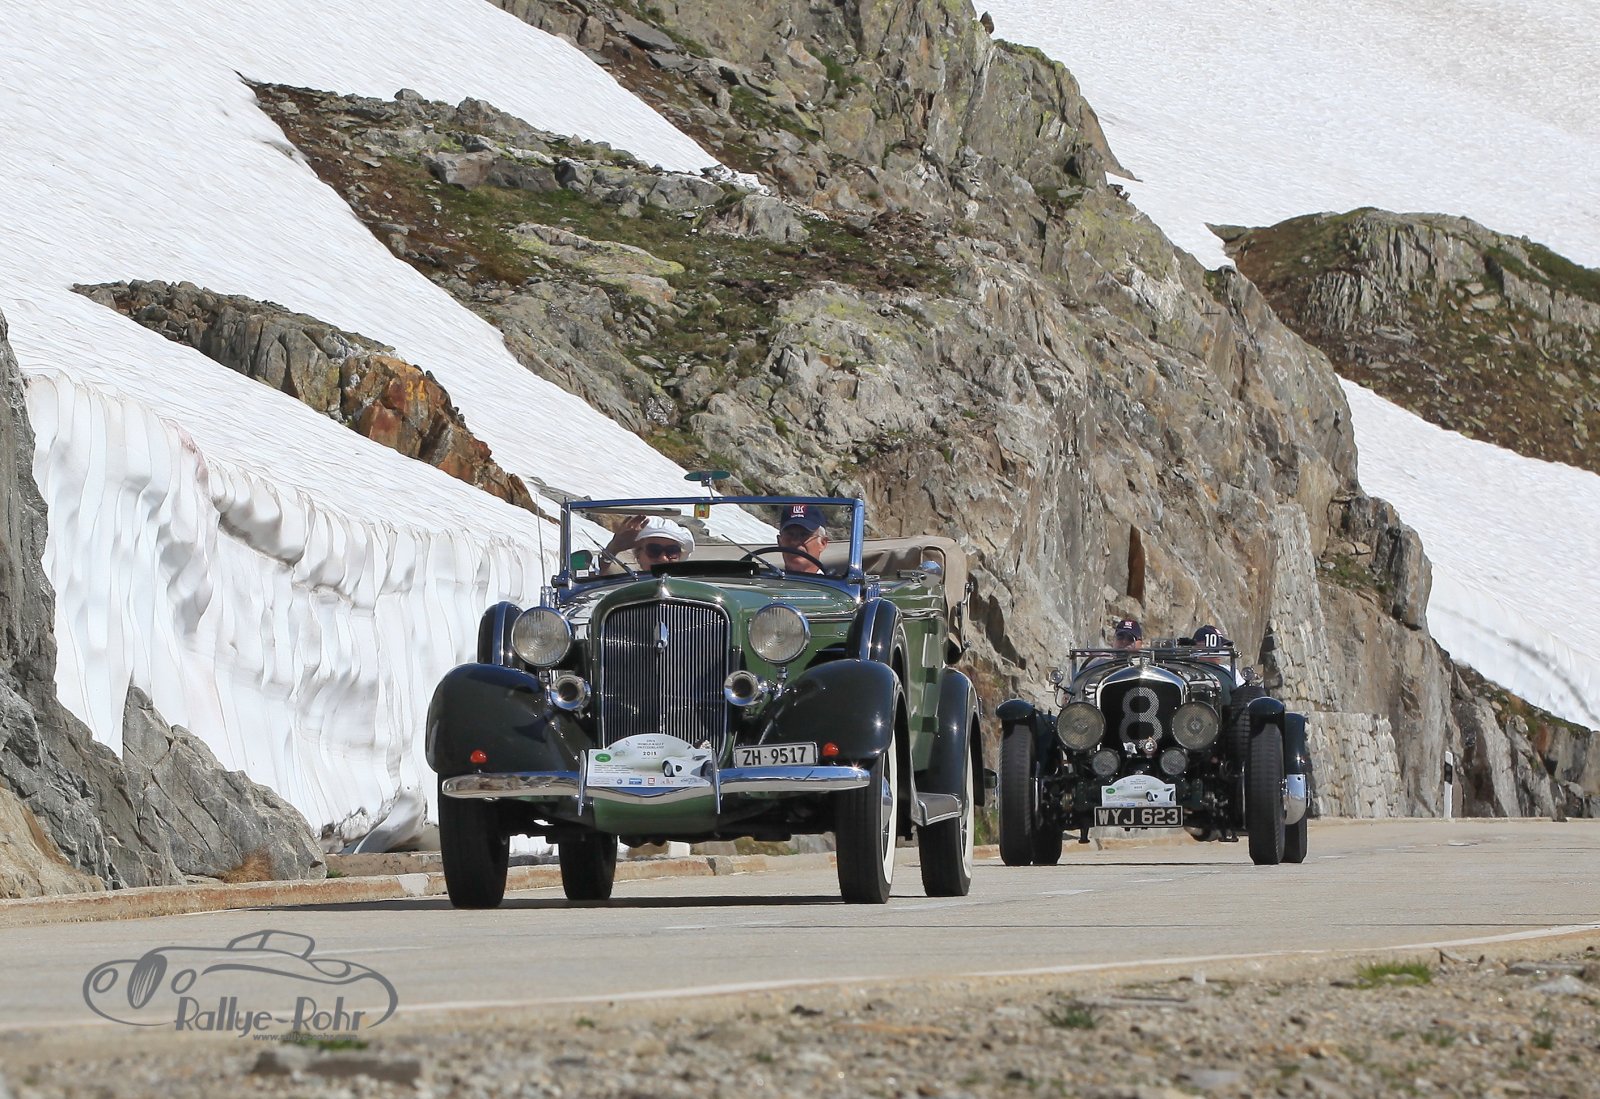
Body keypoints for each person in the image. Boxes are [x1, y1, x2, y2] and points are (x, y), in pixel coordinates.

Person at [602, 514, 694, 573]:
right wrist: (612, 550)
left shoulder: (690, 589)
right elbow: (597, 578)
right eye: (654, 550)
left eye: (672, 551)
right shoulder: (622, 583)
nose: (663, 559)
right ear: (638, 555)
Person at [776, 504, 829, 574]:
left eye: (804, 534)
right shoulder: (766, 580)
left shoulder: (833, 581)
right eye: (790, 534)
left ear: (822, 543)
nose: (795, 541)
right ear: (779, 542)